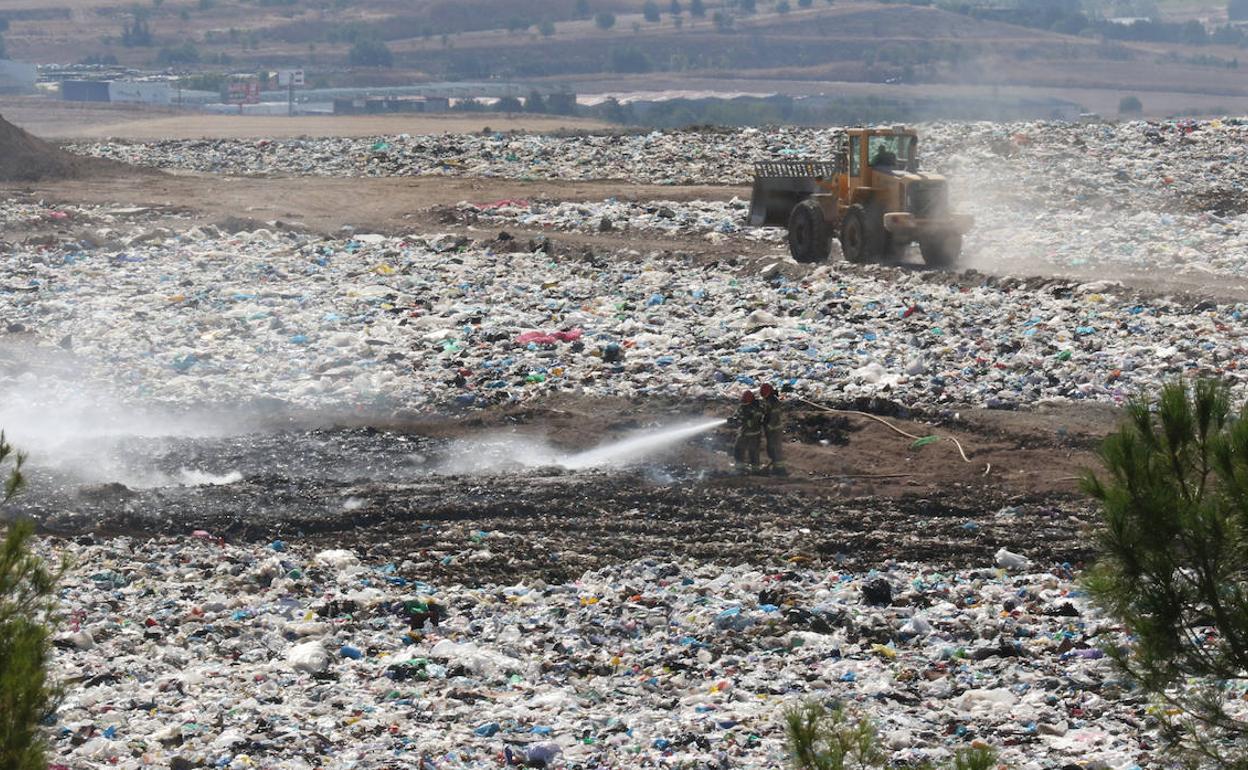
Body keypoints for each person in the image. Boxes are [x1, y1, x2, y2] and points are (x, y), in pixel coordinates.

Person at [733, 390, 764, 475]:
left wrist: (746, 419)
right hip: (743, 433)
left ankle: (755, 470)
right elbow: (737, 414)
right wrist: (734, 419)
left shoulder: (757, 408)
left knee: (753, 452)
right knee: (738, 449)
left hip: (754, 434)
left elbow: (753, 421)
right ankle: (740, 468)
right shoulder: (742, 406)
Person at [759, 383, 787, 476]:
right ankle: (776, 467)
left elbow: (774, 417)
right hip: (770, 429)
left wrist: (769, 426)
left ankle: (780, 470)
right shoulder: (767, 400)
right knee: (771, 448)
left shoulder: (774, 402)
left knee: (776, 449)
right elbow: (765, 411)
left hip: (774, 429)